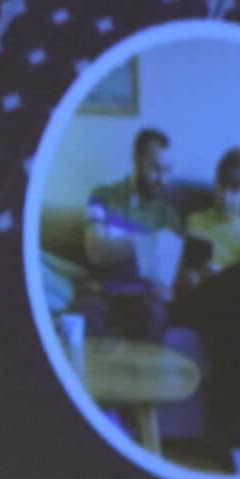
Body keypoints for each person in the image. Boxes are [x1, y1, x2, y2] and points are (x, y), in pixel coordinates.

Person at [175, 147, 240, 473]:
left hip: (235, 314)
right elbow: (182, 277)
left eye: (236, 190)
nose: (227, 197)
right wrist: (192, 274)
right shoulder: (195, 221)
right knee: (239, 277)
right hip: (201, 299)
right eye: (223, 187)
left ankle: (231, 445)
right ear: (215, 184)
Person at [81, 127, 184, 340]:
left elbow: (170, 278)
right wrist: (146, 241)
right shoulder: (103, 196)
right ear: (136, 159)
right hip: (101, 292)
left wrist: (169, 290)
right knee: (85, 314)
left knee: (153, 316)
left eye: (167, 170)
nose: (162, 179)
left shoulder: (169, 217)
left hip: (144, 300)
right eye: (155, 168)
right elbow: (96, 251)